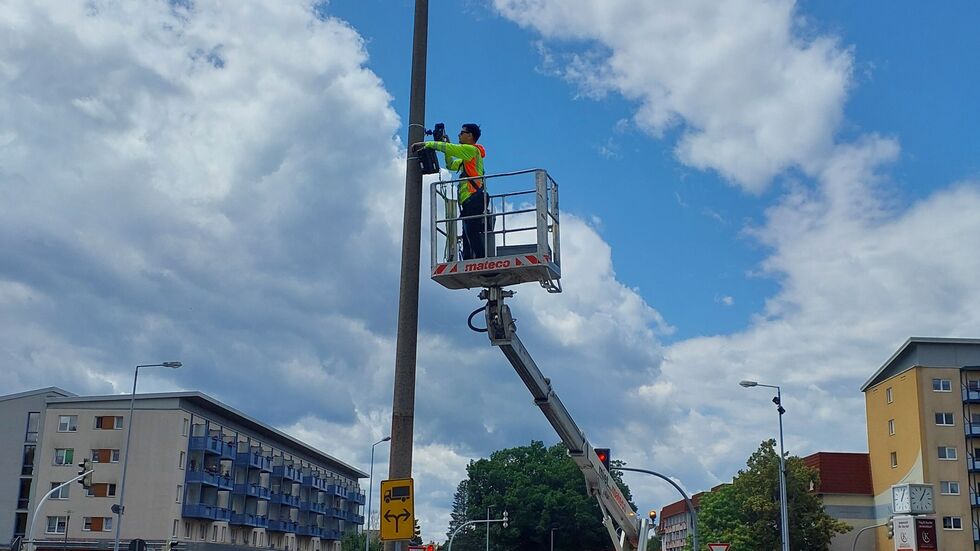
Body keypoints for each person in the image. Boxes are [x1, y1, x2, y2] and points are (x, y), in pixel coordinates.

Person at [417, 123, 490, 259]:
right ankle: (470, 261)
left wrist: (428, 144)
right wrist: (446, 146)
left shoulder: (471, 150)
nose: (459, 135)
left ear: (470, 136)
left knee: (471, 233)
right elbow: (450, 164)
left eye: (462, 133)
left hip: (474, 198)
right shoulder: (467, 158)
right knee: (468, 234)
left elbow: (451, 148)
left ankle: (481, 260)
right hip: (471, 200)